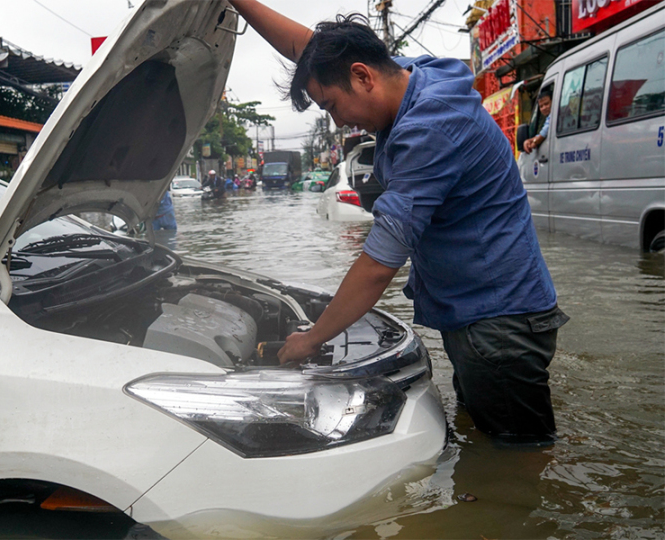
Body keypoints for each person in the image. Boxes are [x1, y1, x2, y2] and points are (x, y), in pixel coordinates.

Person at [229, 0, 568, 445]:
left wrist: (311, 339)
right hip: (489, 315)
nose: (338, 121)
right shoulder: (412, 75)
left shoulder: (429, 129)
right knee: (486, 446)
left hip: (498, 327)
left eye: (332, 105)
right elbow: (311, 50)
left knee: (517, 460)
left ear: (362, 76)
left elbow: (378, 266)